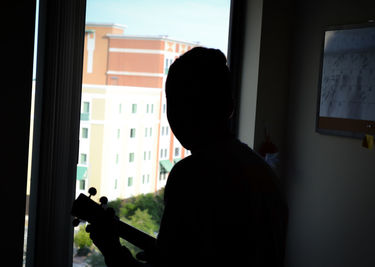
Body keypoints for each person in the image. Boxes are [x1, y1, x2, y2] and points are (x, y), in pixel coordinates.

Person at [87, 47, 288, 267]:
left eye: (178, 104)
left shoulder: (191, 175)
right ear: (230, 107)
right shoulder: (265, 174)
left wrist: (111, 248)